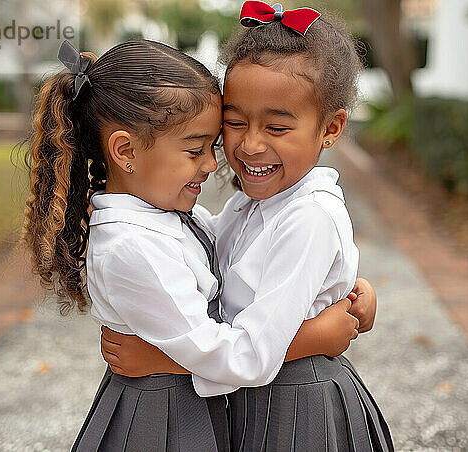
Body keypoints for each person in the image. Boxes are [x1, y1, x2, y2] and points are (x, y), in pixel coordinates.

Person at [23, 37, 374, 452]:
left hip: (285, 397)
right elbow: (236, 324)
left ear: (330, 128)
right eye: (198, 147)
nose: (216, 161)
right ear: (125, 150)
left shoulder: (188, 214)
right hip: (171, 412)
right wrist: (318, 332)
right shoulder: (139, 241)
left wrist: (345, 284)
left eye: (211, 145)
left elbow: (256, 263)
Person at [101, 2, 394, 451]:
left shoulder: (308, 215)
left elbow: (256, 351)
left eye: (276, 127)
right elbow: (210, 256)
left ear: (331, 128)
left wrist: (161, 358)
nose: (250, 144)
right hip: (254, 395)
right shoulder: (253, 203)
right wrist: (351, 287)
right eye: (235, 123)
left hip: (295, 400)